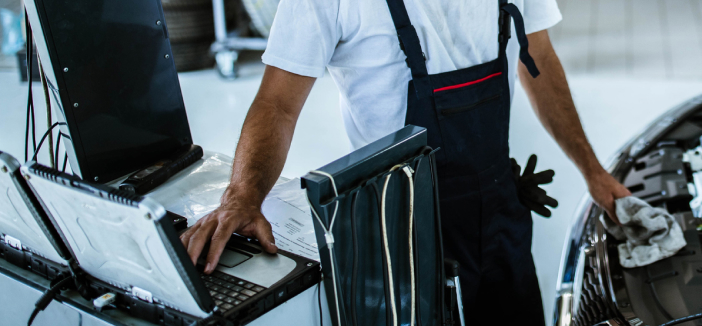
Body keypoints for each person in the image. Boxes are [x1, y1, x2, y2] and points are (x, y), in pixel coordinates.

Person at [176, 0, 631, 324]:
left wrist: (593, 171)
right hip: (399, 234)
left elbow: (541, 58)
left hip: (500, 213)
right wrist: (242, 195)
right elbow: (278, 103)